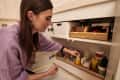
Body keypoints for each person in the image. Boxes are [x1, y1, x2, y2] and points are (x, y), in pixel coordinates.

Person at [0, 0, 80, 80]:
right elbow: (16, 78)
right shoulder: (10, 42)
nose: (50, 23)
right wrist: (48, 73)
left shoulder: (33, 33)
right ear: (31, 16)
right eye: (47, 18)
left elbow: (49, 44)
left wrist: (68, 51)